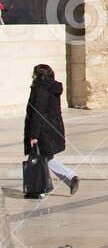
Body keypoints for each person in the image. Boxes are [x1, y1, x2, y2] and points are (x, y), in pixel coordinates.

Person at [24, 63, 78, 196]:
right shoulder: (53, 87)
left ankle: (44, 187)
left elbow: (38, 113)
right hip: (53, 127)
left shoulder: (41, 89)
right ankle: (53, 183)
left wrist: (34, 134)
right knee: (45, 157)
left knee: (42, 157)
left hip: (43, 129)